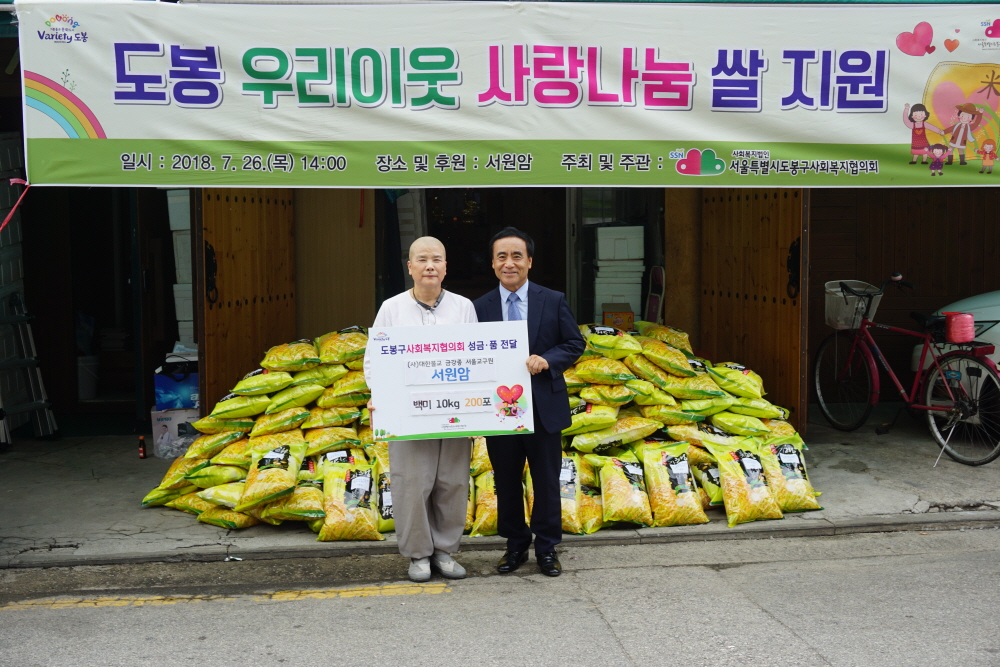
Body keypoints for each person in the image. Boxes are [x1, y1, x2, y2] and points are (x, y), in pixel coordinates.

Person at [473, 227, 585, 577]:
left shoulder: (552, 300)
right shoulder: (478, 308)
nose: (510, 263)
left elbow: (574, 342)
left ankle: (547, 548)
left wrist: (548, 359)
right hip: (499, 410)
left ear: (530, 261)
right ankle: (515, 545)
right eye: (502, 256)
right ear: (493, 264)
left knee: (546, 480)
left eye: (517, 256)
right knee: (505, 480)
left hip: (543, 407)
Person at [364, 237, 477, 583]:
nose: (430, 266)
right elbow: (374, 361)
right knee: (412, 482)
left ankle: (444, 551)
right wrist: (379, 394)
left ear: (446, 267)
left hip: (453, 412)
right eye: (422, 259)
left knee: (452, 482)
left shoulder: (463, 307)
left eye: (437, 260)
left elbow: (477, 359)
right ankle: (418, 554)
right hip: (407, 413)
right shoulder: (391, 308)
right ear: (410, 267)